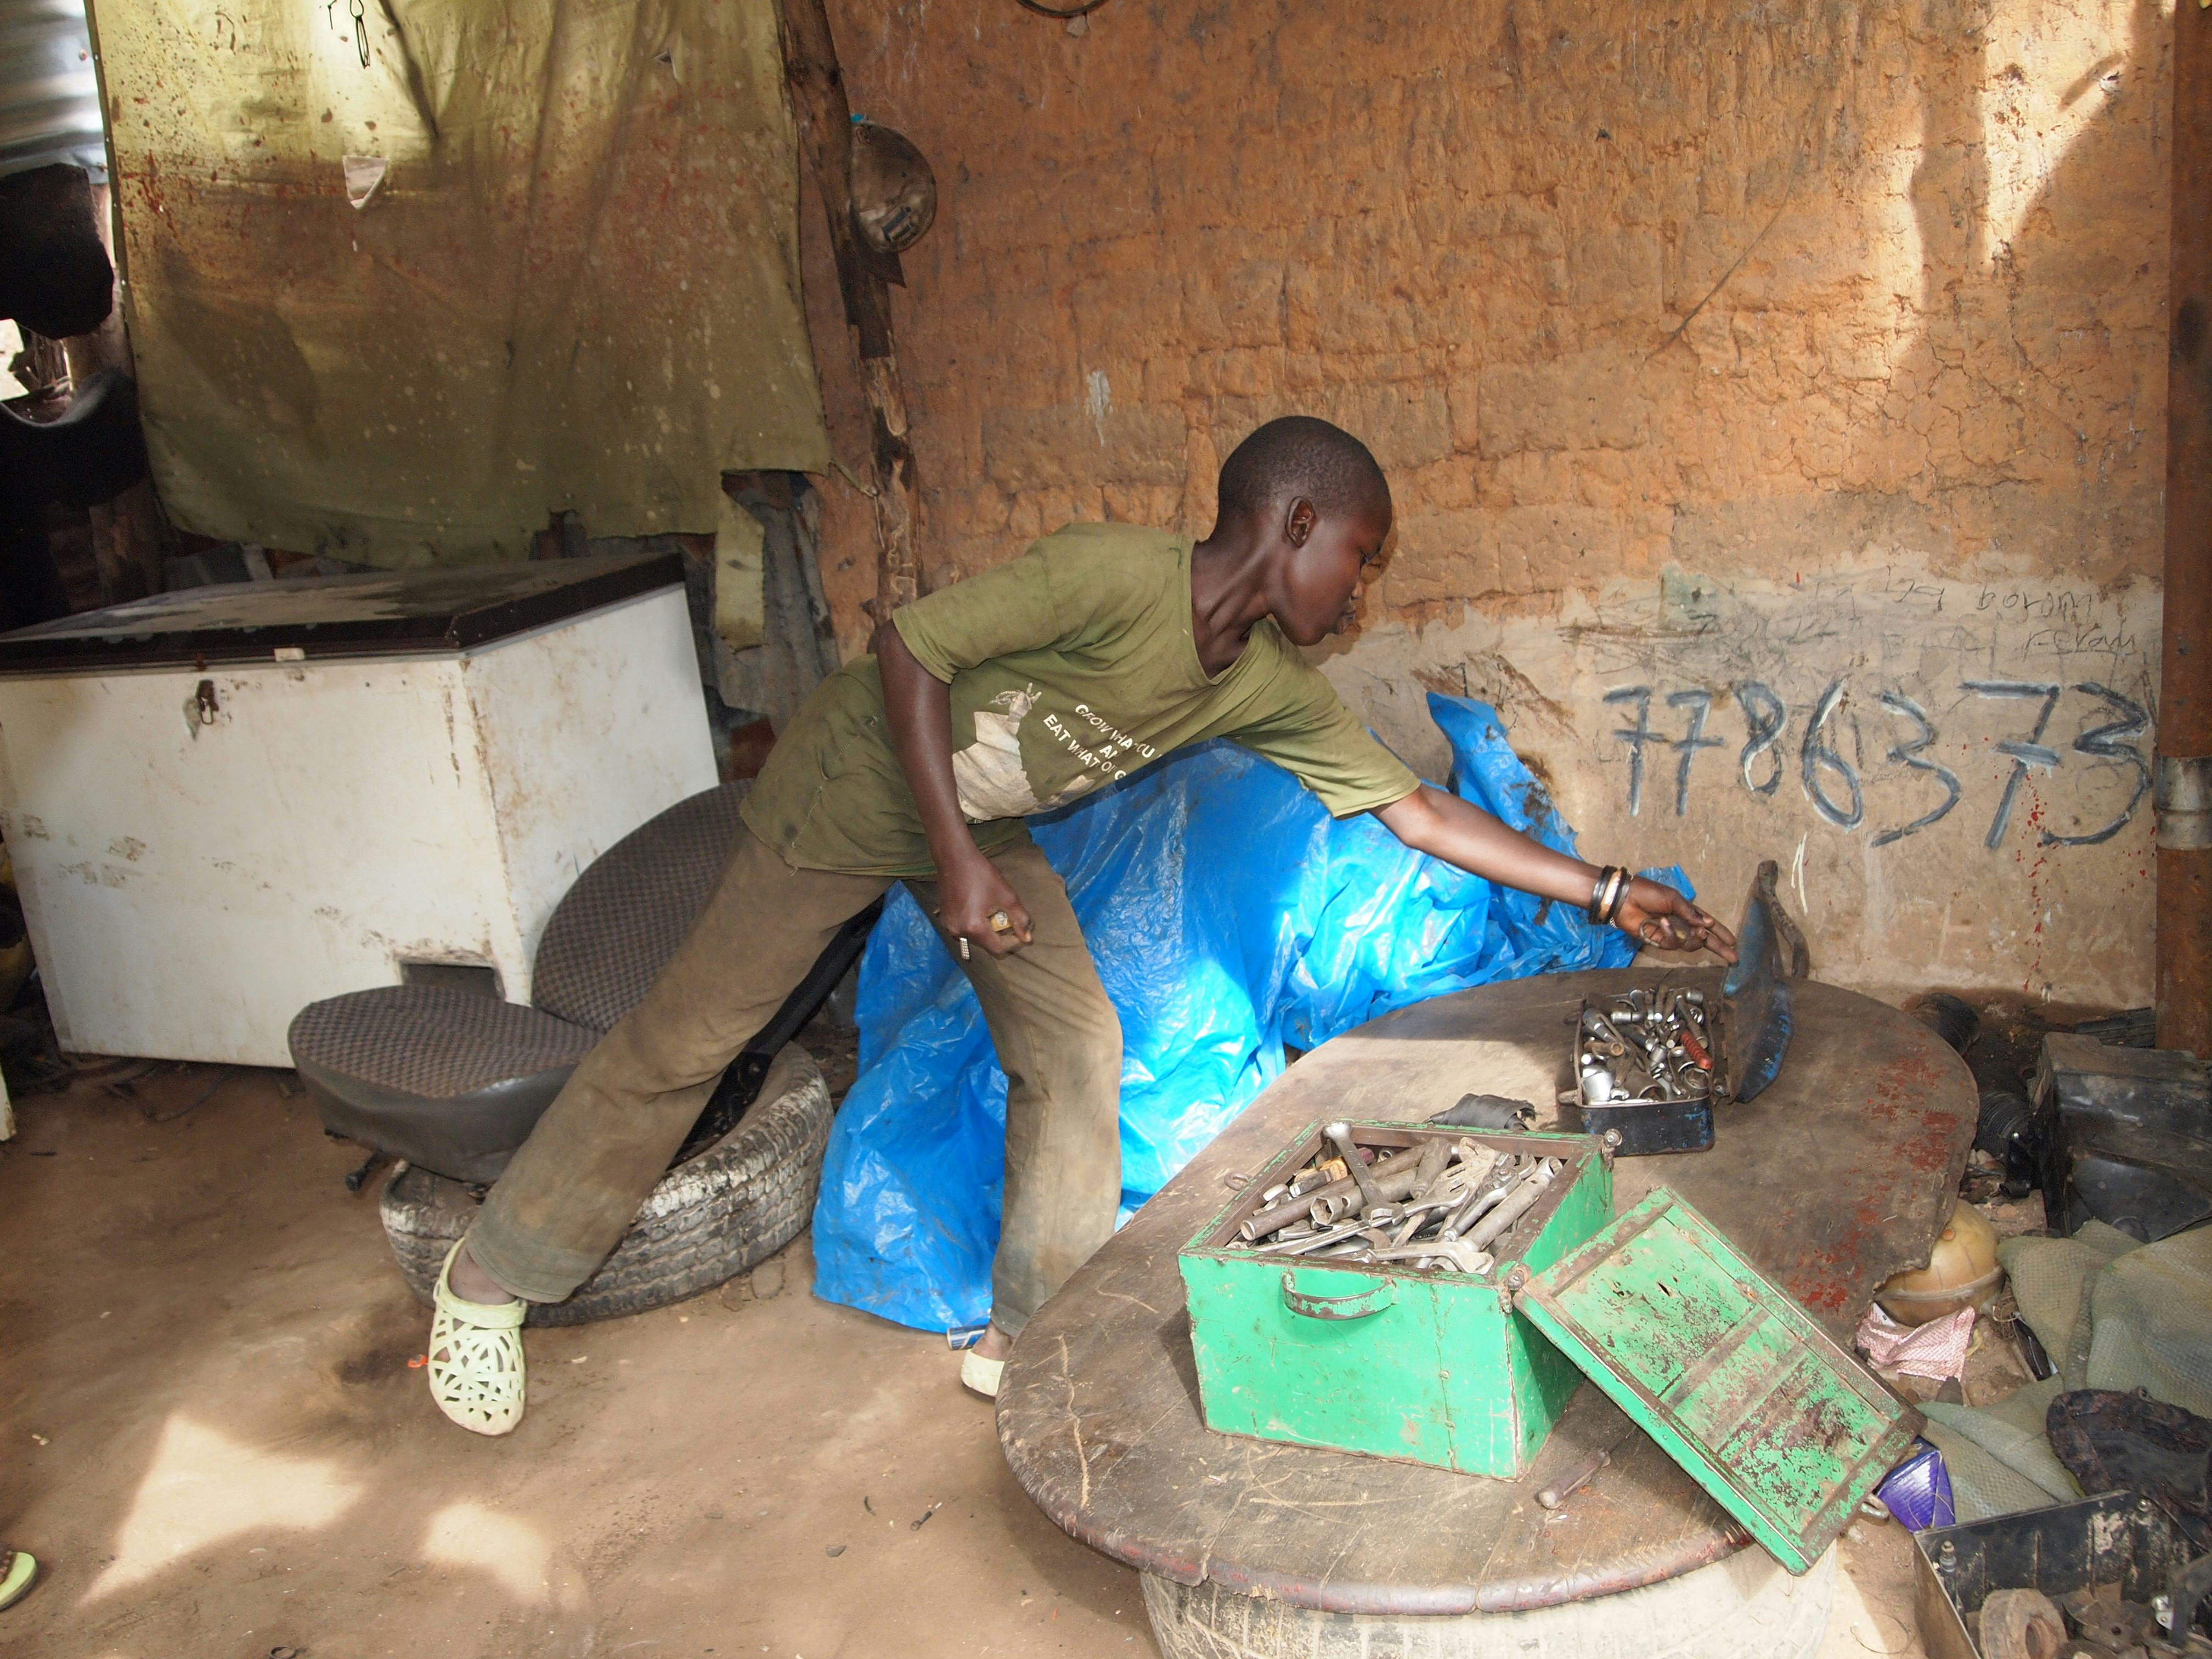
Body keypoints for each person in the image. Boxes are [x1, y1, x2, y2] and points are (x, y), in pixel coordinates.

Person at [422, 416, 1735, 1435]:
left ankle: (1025, 1336)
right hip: (858, 783)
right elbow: (910, 651)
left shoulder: (1262, 684)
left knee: (1075, 1047)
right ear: (1294, 523)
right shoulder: (1114, 576)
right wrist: (947, 860)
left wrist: (1610, 892)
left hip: (978, 832)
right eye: (1362, 554)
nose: (1364, 588)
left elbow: (1425, 817)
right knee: (687, 1038)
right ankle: (491, 1280)